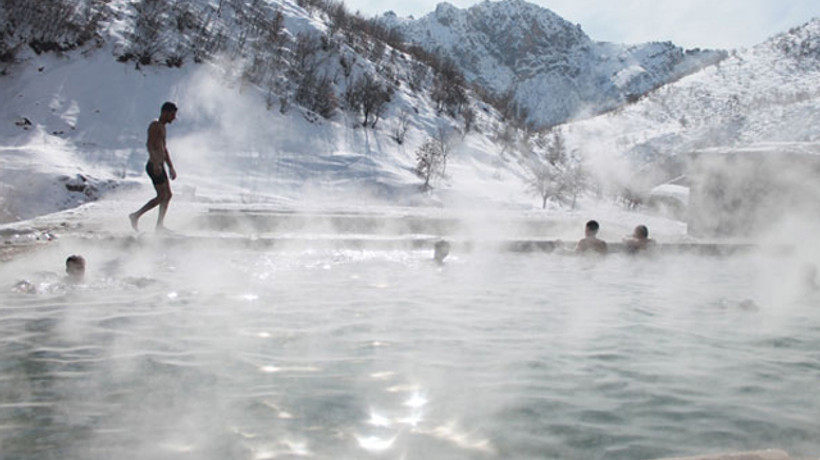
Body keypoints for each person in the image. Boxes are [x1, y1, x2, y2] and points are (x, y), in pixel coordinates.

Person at [129, 102, 178, 232]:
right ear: (165, 113)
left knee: (167, 195)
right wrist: (156, 163)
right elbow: (150, 145)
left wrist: (170, 167)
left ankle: (159, 226)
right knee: (162, 196)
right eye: (172, 115)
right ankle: (135, 216)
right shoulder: (155, 125)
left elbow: (164, 148)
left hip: (160, 165)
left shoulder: (162, 127)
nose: (174, 118)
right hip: (154, 165)